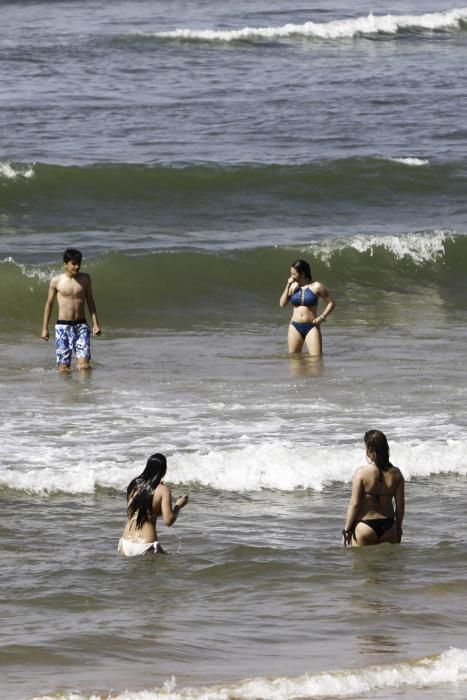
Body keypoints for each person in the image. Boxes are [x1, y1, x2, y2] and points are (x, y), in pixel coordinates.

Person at [41, 248, 101, 371]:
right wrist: (45, 328)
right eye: (73, 264)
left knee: (84, 366)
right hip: (63, 327)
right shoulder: (56, 281)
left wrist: (96, 324)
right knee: (64, 368)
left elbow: (90, 301)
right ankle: (67, 390)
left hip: (81, 325)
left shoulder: (86, 279)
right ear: (65, 264)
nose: (77, 266)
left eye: (79, 263)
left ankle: (84, 390)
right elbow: (49, 304)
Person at [342, 430, 405, 547]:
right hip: (389, 526)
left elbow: (354, 504)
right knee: (386, 565)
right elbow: (400, 506)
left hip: (364, 527)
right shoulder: (397, 474)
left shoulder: (360, 473)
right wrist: (398, 528)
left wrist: (346, 529)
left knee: (362, 565)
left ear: (370, 449)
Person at [119, 453, 189, 557]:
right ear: (164, 470)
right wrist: (178, 506)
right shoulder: (163, 490)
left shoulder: (134, 483)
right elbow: (168, 521)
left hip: (125, 542)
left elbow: (144, 512)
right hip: (146, 544)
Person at [279, 259, 335, 355]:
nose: (291, 277)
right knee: (294, 359)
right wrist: (288, 285)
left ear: (303, 274)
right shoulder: (292, 286)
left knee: (316, 359)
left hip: (311, 326)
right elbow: (282, 304)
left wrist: (322, 317)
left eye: (294, 274)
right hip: (294, 326)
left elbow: (331, 303)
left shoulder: (317, 286)